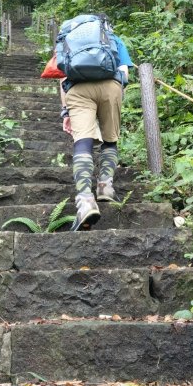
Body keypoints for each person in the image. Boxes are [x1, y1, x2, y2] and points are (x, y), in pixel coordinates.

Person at [59, 13, 133, 231]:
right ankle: (104, 187)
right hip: (111, 86)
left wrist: (66, 112)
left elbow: (62, 76)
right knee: (110, 139)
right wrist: (116, 94)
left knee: (82, 140)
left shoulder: (68, 39)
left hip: (78, 89)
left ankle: (85, 200)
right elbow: (125, 73)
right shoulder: (112, 39)